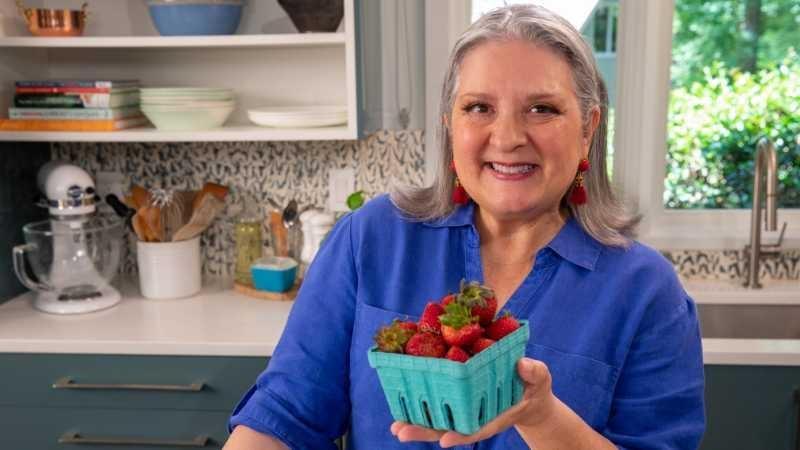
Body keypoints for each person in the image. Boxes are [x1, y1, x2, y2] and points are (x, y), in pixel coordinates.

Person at [223, 4, 705, 449]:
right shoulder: (369, 240)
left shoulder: (646, 293)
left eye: (543, 109)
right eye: (479, 108)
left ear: (588, 130)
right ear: (450, 127)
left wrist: (541, 417)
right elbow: (285, 413)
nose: (509, 137)